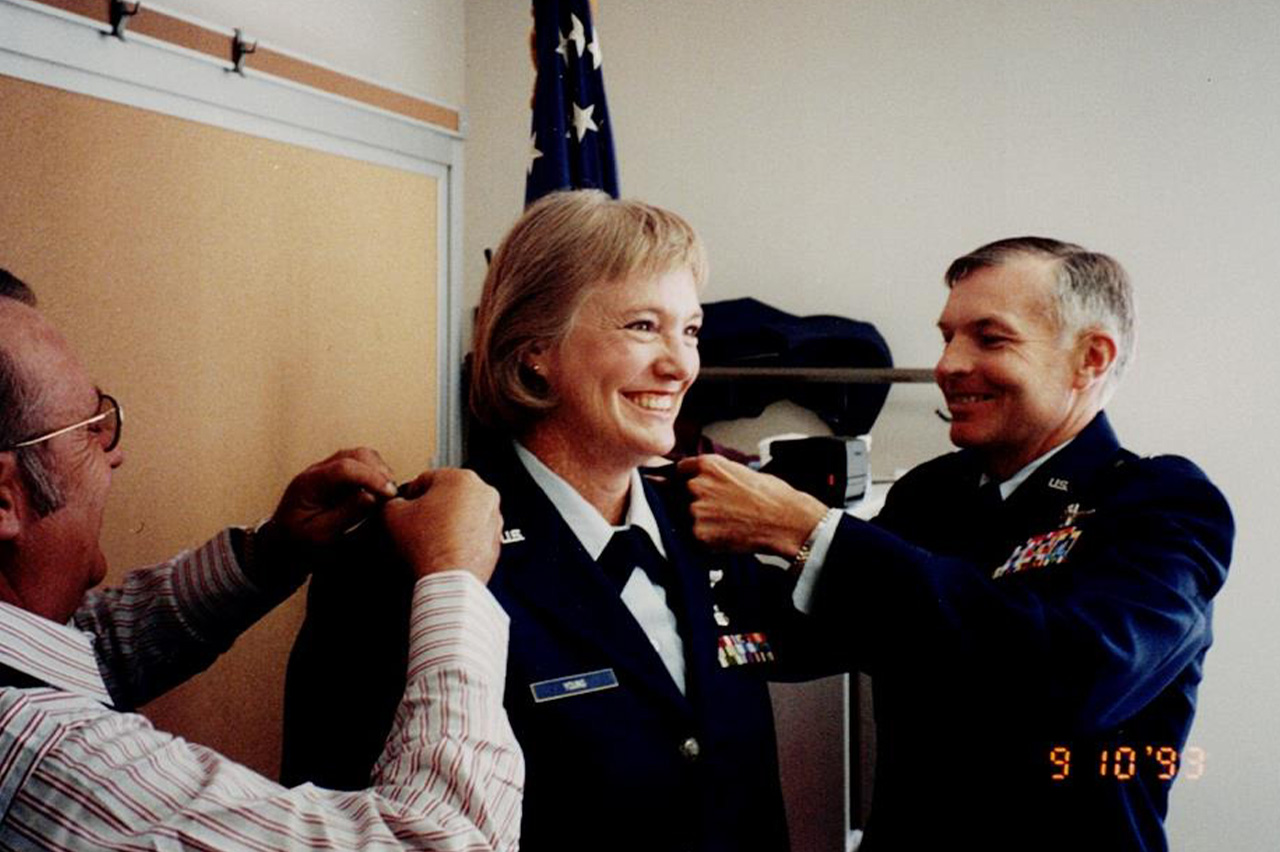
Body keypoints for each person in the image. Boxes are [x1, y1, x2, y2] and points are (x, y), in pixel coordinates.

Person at [285, 191, 827, 852]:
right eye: (642, 327)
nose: (681, 365)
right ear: (536, 348)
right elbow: (333, 822)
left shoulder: (711, 528)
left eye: (689, 330)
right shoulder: (403, 558)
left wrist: (810, 529)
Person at [675, 237, 1233, 851]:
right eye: (948, 337)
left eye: (990, 339)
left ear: (1090, 358)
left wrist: (809, 533)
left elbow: (1073, 680)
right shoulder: (933, 493)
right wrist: (657, 532)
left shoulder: (1161, 501)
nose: (949, 365)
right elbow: (804, 635)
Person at [0, 279, 522, 851]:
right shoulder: (39, 754)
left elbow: (81, 654)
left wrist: (270, 555)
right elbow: (443, 845)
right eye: (90, 429)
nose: (116, 450)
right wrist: (454, 578)